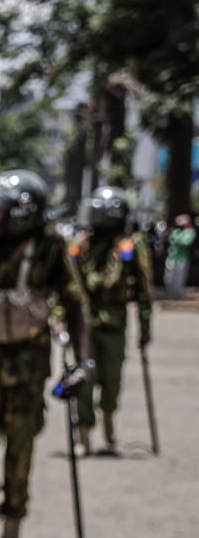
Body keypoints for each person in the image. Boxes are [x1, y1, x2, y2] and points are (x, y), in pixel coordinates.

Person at [0, 169, 90, 538]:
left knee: (20, 451)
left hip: (28, 371)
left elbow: (76, 303)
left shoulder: (51, 250)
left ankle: (13, 528)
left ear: (21, 213)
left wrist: (84, 363)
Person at [69, 187, 153, 454]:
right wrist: (62, 319)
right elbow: (68, 286)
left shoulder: (129, 246)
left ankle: (108, 424)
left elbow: (143, 289)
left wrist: (145, 326)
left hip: (114, 325)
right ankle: (83, 433)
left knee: (112, 381)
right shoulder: (81, 244)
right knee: (84, 379)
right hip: (85, 325)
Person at [166, 214, 193, 299]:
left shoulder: (189, 231)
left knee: (179, 280)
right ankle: (171, 295)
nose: (178, 223)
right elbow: (170, 240)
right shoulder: (176, 231)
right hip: (171, 258)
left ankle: (178, 297)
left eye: (181, 221)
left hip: (182, 258)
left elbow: (185, 242)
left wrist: (175, 238)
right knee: (168, 279)